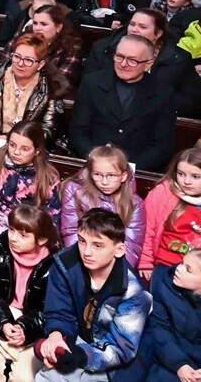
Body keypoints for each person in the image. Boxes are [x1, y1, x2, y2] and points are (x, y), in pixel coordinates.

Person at [36, 209, 151, 382]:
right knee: (46, 377)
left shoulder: (134, 291)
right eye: (82, 241)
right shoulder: (64, 265)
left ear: (119, 250)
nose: (86, 252)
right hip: (77, 341)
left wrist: (80, 355)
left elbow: (121, 348)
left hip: (113, 358)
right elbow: (59, 312)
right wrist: (56, 336)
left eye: (97, 245)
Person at [69, 34, 177, 172]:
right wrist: (95, 159)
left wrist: (129, 168)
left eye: (132, 60)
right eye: (119, 56)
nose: (123, 64)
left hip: (136, 170)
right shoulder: (92, 83)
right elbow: (78, 130)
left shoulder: (163, 93)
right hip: (91, 164)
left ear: (148, 64)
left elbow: (162, 145)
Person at [0, 205, 59, 382]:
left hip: (33, 326)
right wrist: (4, 322)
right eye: (12, 230)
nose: (13, 238)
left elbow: (50, 310)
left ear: (42, 239)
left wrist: (24, 329)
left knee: (24, 375)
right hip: (0, 318)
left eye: (23, 235)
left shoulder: (55, 264)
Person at [0, 121, 62, 237]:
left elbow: (51, 218)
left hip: (29, 232)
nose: (16, 152)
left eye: (24, 149)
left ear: (36, 151)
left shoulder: (49, 177)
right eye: (12, 145)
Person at [59, 146, 146, 264]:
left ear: (123, 176)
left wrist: (114, 272)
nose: (104, 182)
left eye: (111, 176)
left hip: (112, 264)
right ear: (90, 173)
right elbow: (70, 231)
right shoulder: (74, 190)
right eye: (98, 174)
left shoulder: (134, 203)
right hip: (80, 257)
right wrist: (79, 262)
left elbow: (132, 245)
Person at [0, 34, 67, 143]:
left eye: (28, 60)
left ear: (40, 64)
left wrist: (17, 142)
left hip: (30, 147)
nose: (20, 64)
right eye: (17, 57)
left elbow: (48, 129)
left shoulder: (52, 86)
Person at [138, 146, 201, 280]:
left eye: (195, 177)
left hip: (196, 273)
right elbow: (147, 229)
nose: (186, 181)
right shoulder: (163, 193)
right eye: (181, 174)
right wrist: (145, 261)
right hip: (163, 265)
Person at [142, 249, 201, 382]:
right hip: (166, 359)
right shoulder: (163, 286)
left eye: (188, 270)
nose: (179, 269)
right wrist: (180, 364)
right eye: (182, 263)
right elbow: (158, 329)